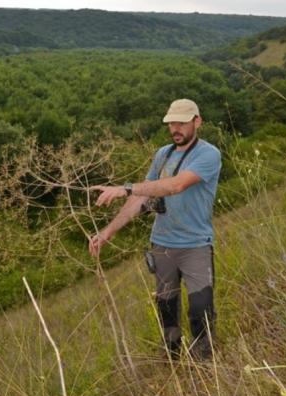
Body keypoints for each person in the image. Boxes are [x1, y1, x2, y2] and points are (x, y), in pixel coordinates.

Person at [89, 99, 222, 359]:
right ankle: (172, 362)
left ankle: (205, 370)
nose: (176, 128)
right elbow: (141, 198)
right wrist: (107, 231)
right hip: (162, 245)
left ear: (197, 121)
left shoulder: (208, 154)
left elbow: (175, 186)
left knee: (201, 309)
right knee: (167, 309)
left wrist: (125, 187)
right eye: (172, 123)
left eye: (182, 123)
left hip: (196, 245)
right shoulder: (163, 154)